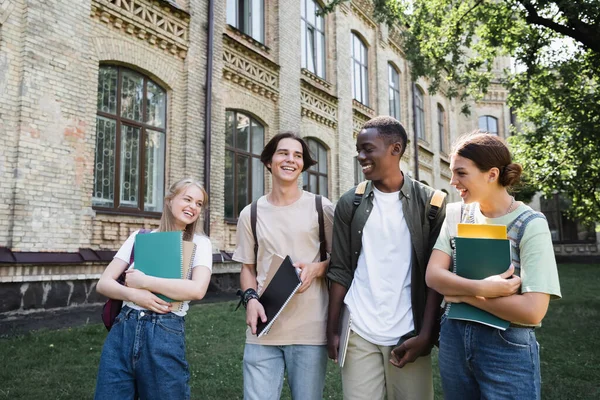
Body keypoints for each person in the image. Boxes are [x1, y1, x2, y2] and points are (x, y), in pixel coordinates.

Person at [425, 132, 562, 399]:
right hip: (453, 340)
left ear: (492, 174)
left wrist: (461, 294)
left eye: (461, 173)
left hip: (507, 346)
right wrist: (484, 288)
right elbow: (433, 276)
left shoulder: (531, 225)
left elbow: (533, 312)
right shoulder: (455, 214)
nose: (453, 182)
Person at [327, 116, 446, 400]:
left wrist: (426, 335)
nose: (361, 156)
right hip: (359, 331)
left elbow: (435, 279)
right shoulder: (349, 203)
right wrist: (331, 329)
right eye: (359, 149)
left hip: (408, 334)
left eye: (368, 149)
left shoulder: (432, 204)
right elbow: (340, 269)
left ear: (396, 149)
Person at [233, 132, 334, 400]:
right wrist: (250, 298)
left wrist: (317, 268)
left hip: (310, 331)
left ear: (303, 165)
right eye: (283, 153)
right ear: (269, 161)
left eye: (298, 155)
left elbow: (341, 261)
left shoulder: (320, 207)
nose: (290, 160)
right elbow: (247, 269)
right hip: (263, 329)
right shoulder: (250, 213)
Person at [94, 178, 213, 400]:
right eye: (187, 199)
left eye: (198, 204)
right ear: (169, 201)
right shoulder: (140, 237)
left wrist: (145, 281)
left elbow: (197, 290)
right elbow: (104, 283)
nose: (193, 207)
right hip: (123, 330)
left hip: (164, 332)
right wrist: (134, 294)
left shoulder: (200, 243)